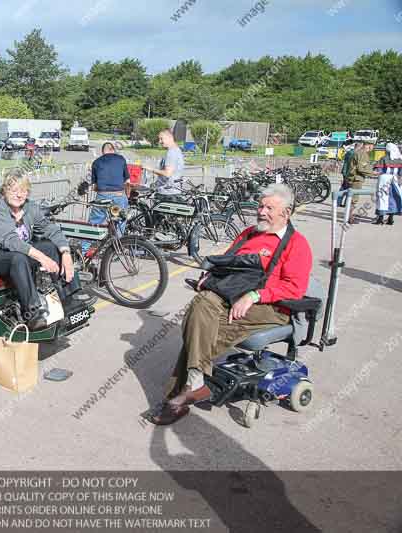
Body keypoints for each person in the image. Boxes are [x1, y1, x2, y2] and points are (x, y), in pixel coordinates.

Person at [149, 183, 312, 425]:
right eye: (260, 205)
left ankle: (179, 397)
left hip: (271, 306)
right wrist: (210, 277)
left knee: (201, 332)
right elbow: (228, 263)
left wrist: (254, 296)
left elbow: (294, 288)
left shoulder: (296, 244)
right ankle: (196, 381)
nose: (261, 211)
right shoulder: (248, 233)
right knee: (202, 303)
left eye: (269, 208)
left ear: (285, 213)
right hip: (231, 294)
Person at [0, 169, 89, 331]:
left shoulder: (29, 207)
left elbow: (50, 228)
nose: (19, 195)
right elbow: (12, 242)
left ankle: (68, 298)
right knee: (18, 258)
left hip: (17, 255)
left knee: (49, 246)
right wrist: (43, 259)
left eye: (24, 190)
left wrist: (66, 253)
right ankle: (33, 313)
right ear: (4, 191)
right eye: (14, 190)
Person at [143, 129, 185, 200]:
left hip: (167, 194)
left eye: (161, 139)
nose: (160, 141)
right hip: (173, 191)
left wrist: (150, 169)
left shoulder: (171, 153)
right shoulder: (177, 150)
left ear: (170, 137)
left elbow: (167, 173)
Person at [344, 140, 379, 224]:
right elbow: (361, 168)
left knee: (352, 199)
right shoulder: (362, 154)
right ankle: (349, 218)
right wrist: (373, 173)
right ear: (369, 145)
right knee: (353, 199)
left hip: (354, 178)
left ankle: (349, 217)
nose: (372, 148)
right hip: (356, 179)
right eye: (372, 146)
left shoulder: (360, 152)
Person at [374, 143, 402, 225]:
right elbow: (401, 173)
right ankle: (390, 219)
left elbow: (378, 170)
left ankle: (380, 219)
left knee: (382, 198)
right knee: (393, 198)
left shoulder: (383, 158)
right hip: (394, 179)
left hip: (384, 179)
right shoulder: (399, 160)